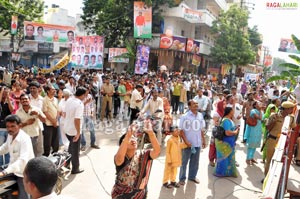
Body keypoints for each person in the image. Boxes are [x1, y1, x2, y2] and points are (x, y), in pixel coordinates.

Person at [111, 121, 160, 198]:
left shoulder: (143, 155)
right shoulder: (120, 157)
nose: (133, 139)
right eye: (130, 138)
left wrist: (151, 133)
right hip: (121, 195)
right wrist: (127, 136)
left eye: (134, 137)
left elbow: (157, 151)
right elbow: (119, 160)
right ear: (123, 144)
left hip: (139, 196)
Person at [0, 114, 34, 199]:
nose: (9, 129)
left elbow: (22, 160)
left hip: (23, 172)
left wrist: (5, 172)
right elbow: (5, 147)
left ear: (19, 126)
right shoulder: (10, 135)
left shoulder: (25, 139)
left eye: (12, 126)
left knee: (23, 196)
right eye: (7, 126)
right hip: (12, 168)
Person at [264, 101, 296, 176]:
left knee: (279, 161)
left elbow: (293, 128)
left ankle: (275, 176)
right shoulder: (274, 115)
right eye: (291, 108)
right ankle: (266, 176)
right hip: (272, 140)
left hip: (283, 142)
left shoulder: (291, 118)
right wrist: (274, 121)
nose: (292, 110)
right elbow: (267, 128)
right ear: (286, 109)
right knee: (269, 159)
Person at [179, 99, 206, 185]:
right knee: (184, 162)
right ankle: (182, 179)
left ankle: (192, 176)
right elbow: (181, 131)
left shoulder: (200, 115)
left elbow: (201, 129)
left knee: (195, 162)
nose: (196, 105)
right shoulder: (185, 116)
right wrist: (186, 141)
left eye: (197, 103)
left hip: (197, 143)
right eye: (194, 104)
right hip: (187, 144)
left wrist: (203, 140)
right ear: (189, 106)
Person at [64, 87, 86, 174]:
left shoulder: (69, 100)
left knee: (71, 147)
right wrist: (78, 132)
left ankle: (67, 163)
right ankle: (75, 168)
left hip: (67, 128)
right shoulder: (79, 104)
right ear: (83, 95)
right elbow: (77, 119)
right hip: (74, 130)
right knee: (75, 150)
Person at [214, 107, 239, 177]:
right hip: (225, 143)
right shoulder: (226, 121)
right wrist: (235, 132)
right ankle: (221, 173)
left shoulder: (228, 120)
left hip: (229, 143)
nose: (234, 111)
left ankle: (228, 172)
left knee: (228, 158)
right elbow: (227, 132)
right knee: (224, 159)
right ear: (230, 111)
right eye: (233, 110)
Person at [42, 84, 59, 157]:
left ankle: (55, 154)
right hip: (48, 123)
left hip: (56, 122)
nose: (55, 90)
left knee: (56, 140)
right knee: (47, 141)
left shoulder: (55, 99)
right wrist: (53, 121)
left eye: (54, 89)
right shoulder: (44, 100)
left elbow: (58, 110)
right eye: (52, 89)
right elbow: (45, 112)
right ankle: (46, 155)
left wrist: (56, 120)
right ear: (48, 91)